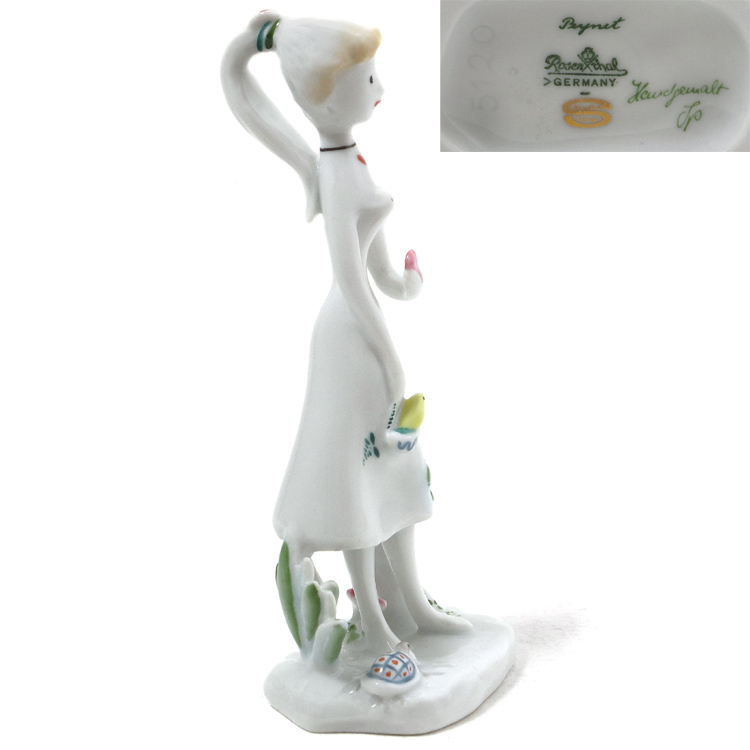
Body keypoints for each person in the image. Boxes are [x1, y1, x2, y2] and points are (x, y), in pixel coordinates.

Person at [221, 11, 469, 654]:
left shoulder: (350, 160)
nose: (380, 88)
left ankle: (412, 604)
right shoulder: (335, 172)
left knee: (392, 475)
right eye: (368, 79)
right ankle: (377, 625)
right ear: (326, 97)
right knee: (359, 481)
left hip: (365, 323)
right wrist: (392, 361)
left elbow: (374, 267)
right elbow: (349, 278)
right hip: (349, 336)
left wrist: (404, 285)